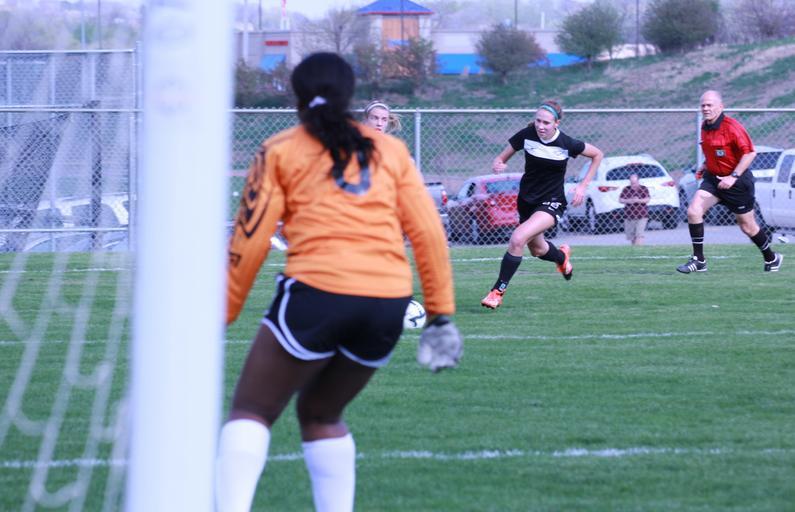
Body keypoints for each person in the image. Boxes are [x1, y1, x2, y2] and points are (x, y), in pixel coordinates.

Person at [216, 53, 462, 512]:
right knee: (321, 414)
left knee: (252, 411)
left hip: (317, 292)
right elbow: (428, 233)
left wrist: (223, 313)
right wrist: (441, 314)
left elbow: (250, 240)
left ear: (296, 96)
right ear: (351, 97)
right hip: (386, 304)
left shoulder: (280, 149)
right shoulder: (391, 151)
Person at [481, 100, 603, 309]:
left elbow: (597, 154)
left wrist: (582, 186)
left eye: (546, 122)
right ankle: (561, 257)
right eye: (538, 121)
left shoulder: (566, 143)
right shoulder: (526, 135)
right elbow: (500, 159)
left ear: (556, 123)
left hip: (552, 202)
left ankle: (497, 292)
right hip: (526, 201)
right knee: (538, 250)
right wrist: (498, 164)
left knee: (517, 238)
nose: (541, 126)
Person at [677, 90, 783, 273]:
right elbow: (714, 152)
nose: (706, 108)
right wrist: (705, 165)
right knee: (694, 211)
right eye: (703, 105)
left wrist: (733, 177)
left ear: (720, 106)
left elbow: (750, 153)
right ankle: (699, 260)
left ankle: (771, 258)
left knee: (747, 227)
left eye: (710, 105)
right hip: (713, 180)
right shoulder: (705, 126)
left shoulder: (732, 127)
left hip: (737, 183)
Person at [619, 172, 650, 245]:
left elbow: (647, 199)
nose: (633, 185)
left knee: (639, 234)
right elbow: (621, 199)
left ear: (638, 181)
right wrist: (629, 201)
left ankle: (639, 248)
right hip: (629, 215)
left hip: (642, 215)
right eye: (632, 183)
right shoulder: (626, 189)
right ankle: (634, 249)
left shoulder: (643, 188)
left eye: (635, 183)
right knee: (632, 236)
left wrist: (638, 200)